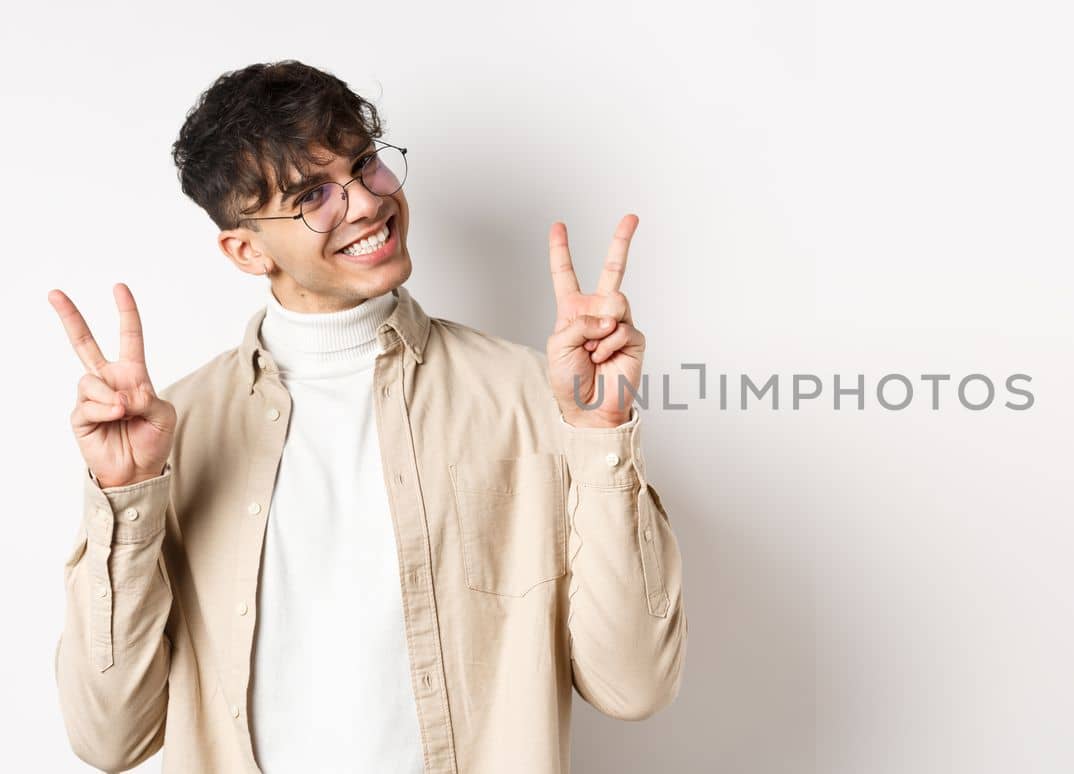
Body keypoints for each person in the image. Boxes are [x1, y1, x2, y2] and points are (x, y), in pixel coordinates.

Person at [47, 60, 686, 774]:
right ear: (245, 249)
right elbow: (110, 741)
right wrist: (127, 501)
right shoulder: (174, 431)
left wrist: (599, 435)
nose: (364, 203)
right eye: (312, 195)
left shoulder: (533, 397)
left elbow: (634, 687)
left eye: (365, 165)